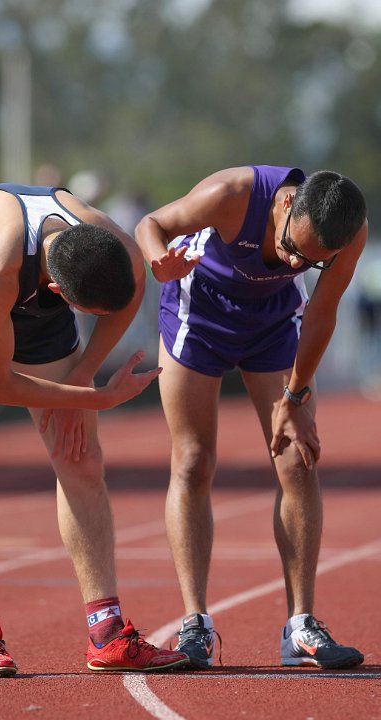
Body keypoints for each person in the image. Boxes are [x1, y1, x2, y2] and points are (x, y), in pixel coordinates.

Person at [0, 182, 189, 676]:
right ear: (60, 292)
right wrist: (96, 397)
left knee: (81, 457)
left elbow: (131, 294)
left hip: (41, 312)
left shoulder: (114, 245)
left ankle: (106, 632)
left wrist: (84, 372)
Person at [135, 165, 367, 670]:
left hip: (274, 324)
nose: (296, 261)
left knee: (297, 459)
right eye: (293, 249)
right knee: (194, 461)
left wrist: (296, 395)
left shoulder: (350, 230)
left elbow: (322, 312)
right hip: (200, 316)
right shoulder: (233, 194)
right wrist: (159, 259)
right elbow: (150, 223)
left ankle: (301, 625)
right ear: (285, 206)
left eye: (311, 261)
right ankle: (195, 623)